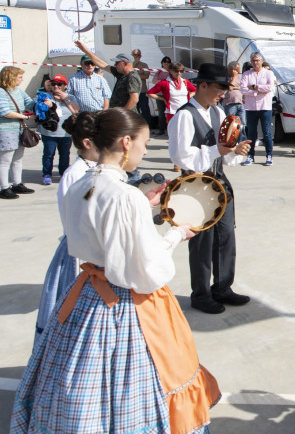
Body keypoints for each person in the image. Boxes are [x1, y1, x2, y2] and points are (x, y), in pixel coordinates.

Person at [11, 108, 220, 434]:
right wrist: (177, 233)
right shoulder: (124, 197)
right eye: (144, 142)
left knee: (76, 387)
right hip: (122, 307)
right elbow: (144, 270)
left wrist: (141, 203)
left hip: (84, 297)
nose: (146, 150)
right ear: (126, 142)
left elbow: (95, 226)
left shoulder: (80, 181)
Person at [169, 64, 252, 315]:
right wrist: (219, 150)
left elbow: (224, 154)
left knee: (226, 237)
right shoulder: (184, 115)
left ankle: (223, 287)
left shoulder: (217, 112)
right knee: (202, 242)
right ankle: (201, 293)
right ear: (202, 85)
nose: (223, 94)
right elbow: (183, 157)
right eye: (220, 88)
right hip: (196, 187)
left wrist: (235, 152)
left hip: (219, 182)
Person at [33, 112, 98, 351]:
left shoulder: (95, 169)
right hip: (79, 254)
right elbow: (73, 220)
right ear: (88, 143)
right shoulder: (76, 174)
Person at [0, 66, 36, 199]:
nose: (22, 79)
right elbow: (5, 112)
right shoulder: (1, 92)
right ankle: (4, 188)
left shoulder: (18, 91)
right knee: (5, 160)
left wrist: (45, 101)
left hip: (19, 130)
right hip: (6, 130)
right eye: (19, 77)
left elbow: (30, 103)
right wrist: (26, 117)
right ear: (11, 77)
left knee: (18, 159)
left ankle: (17, 184)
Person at [75, 41, 141, 114]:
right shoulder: (121, 74)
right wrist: (86, 50)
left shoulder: (132, 76)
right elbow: (102, 65)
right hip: (118, 115)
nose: (115, 65)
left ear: (124, 63)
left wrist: (122, 114)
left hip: (126, 117)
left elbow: (134, 99)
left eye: (117, 63)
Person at [38, 74, 80, 185]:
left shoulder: (71, 97)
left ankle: (63, 174)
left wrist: (65, 99)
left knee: (65, 154)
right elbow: (35, 107)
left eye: (59, 84)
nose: (56, 86)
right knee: (48, 154)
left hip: (65, 133)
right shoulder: (45, 96)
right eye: (53, 84)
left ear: (65, 86)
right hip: (49, 132)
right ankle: (46, 175)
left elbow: (75, 111)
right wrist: (45, 104)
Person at [238, 53, 277, 164]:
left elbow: (270, 87)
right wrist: (257, 92)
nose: (255, 63)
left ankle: (269, 155)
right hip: (251, 108)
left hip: (265, 107)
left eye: (257, 60)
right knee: (251, 133)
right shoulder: (246, 74)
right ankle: (250, 156)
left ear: (261, 61)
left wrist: (255, 87)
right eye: (253, 61)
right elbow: (243, 89)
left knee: (267, 132)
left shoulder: (268, 73)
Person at [222, 61, 246, 143]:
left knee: (242, 124)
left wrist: (237, 87)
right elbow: (230, 88)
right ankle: (231, 141)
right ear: (232, 70)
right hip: (230, 104)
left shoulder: (240, 76)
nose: (239, 72)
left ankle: (242, 141)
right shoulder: (226, 77)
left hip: (240, 103)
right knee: (231, 123)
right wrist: (234, 77)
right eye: (237, 70)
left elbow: (243, 88)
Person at [150, 57, 172, 135]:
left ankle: (170, 130)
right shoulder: (159, 72)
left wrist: (161, 83)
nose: (166, 63)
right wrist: (164, 82)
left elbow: (172, 82)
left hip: (169, 95)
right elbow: (153, 81)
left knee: (170, 113)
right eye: (165, 62)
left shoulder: (171, 72)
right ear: (162, 63)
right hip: (159, 95)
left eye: (168, 62)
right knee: (161, 113)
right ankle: (161, 129)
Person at [131, 49, 153, 125]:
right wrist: (134, 64)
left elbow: (146, 76)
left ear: (140, 56)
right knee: (133, 110)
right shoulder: (129, 65)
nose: (136, 57)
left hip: (142, 90)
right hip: (132, 91)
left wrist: (135, 76)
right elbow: (127, 73)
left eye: (137, 55)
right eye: (134, 55)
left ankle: (147, 125)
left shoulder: (144, 65)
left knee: (144, 109)